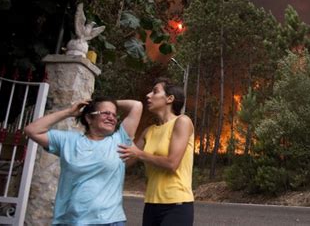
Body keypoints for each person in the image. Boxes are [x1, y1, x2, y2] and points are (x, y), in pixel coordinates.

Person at [24, 97, 142, 225]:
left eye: (114, 114)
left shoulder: (120, 140)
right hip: (71, 220)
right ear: (89, 118)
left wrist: (106, 103)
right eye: (106, 113)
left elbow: (136, 105)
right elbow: (32, 130)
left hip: (110, 220)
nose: (112, 118)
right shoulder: (68, 140)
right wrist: (68, 112)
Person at [118, 78, 194, 226]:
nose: (148, 95)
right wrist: (105, 105)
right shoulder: (149, 131)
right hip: (151, 205)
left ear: (170, 98)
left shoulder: (182, 122)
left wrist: (139, 154)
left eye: (155, 91)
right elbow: (125, 162)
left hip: (177, 205)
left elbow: (172, 163)